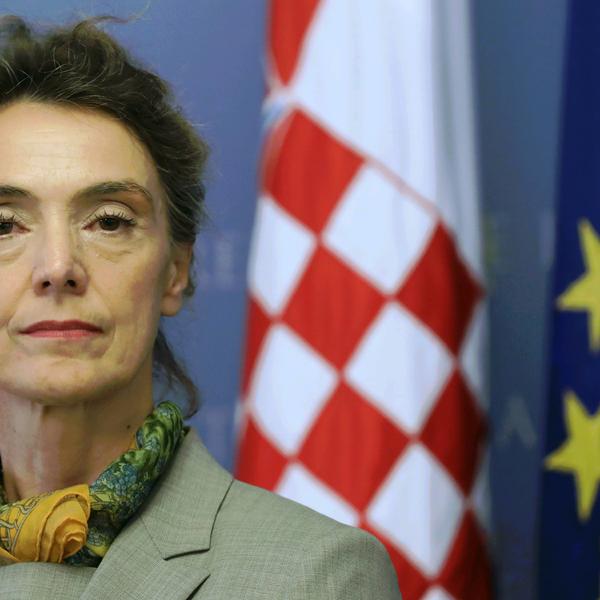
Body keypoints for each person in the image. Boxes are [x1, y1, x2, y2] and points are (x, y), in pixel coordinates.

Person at [0, 15, 401, 599]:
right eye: (5, 224)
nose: (58, 266)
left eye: (109, 221)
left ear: (176, 270)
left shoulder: (317, 576)